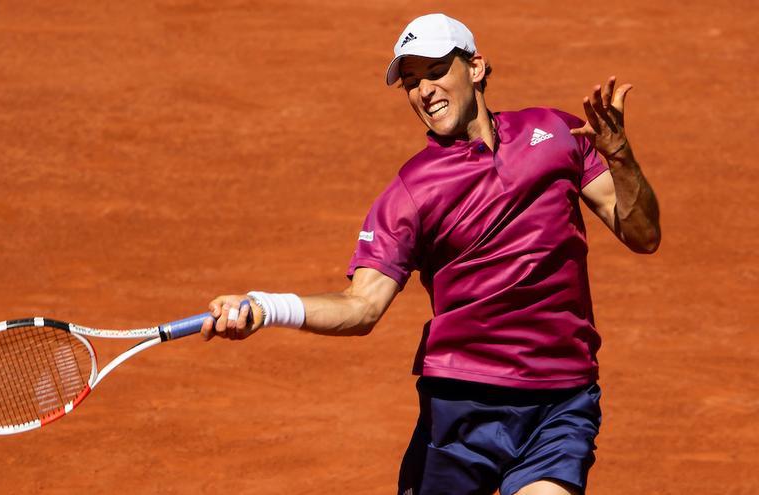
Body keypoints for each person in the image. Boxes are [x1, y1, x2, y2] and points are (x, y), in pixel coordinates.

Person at [199, 13, 660, 495]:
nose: (424, 91)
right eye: (411, 82)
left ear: (476, 68)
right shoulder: (411, 191)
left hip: (560, 400)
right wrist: (263, 306)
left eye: (436, 71)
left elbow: (642, 234)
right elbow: (361, 307)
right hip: (462, 408)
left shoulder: (557, 134)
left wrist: (621, 156)